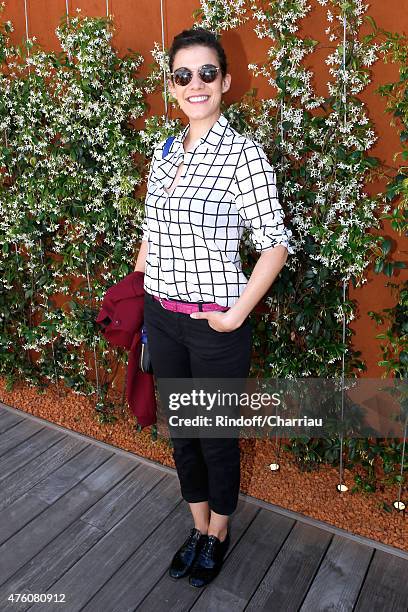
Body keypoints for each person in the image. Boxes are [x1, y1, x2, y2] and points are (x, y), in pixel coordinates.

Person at [134, 26, 292, 588]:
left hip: (214, 325)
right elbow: (152, 232)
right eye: (183, 75)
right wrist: (140, 284)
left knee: (215, 436)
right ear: (171, 84)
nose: (194, 84)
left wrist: (236, 314)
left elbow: (274, 244)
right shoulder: (165, 149)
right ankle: (197, 527)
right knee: (183, 431)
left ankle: (218, 534)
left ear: (225, 81)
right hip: (163, 318)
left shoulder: (244, 154)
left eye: (206, 73)